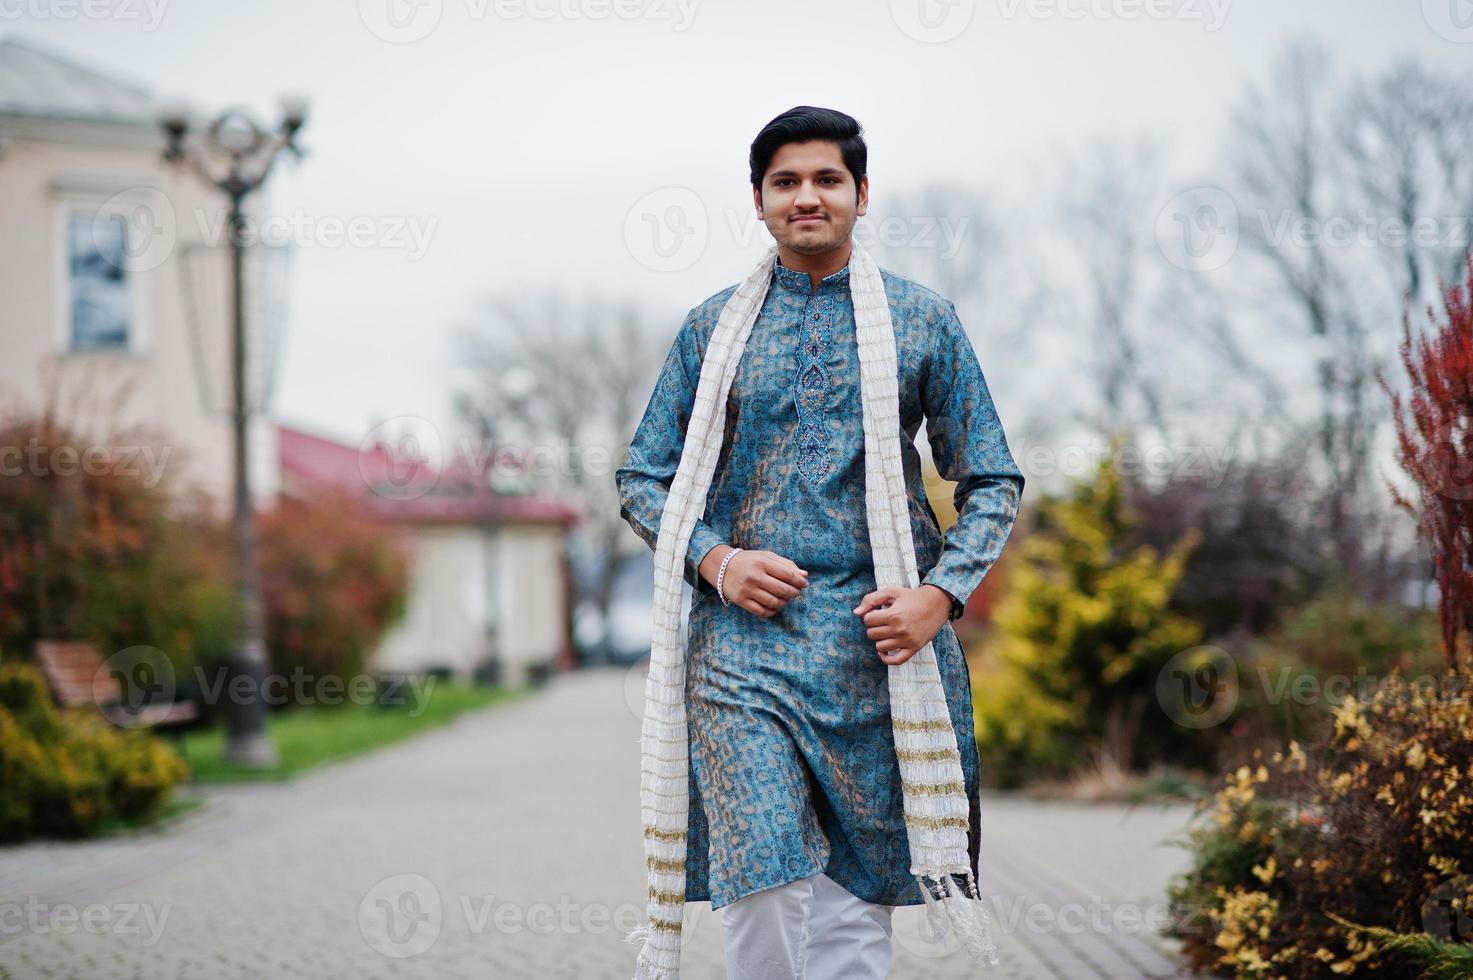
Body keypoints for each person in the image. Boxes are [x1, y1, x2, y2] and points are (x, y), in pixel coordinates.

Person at [615, 105, 1025, 979]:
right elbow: (641, 478)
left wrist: (937, 596)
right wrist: (717, 561)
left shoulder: (921, 321)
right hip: (741, 646)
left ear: (861, 194)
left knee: (853, 898)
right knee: (760, 875)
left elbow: (990, 478)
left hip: (875, 645)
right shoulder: (709, 329)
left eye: (826, 179)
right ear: (758, 202)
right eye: (785, 182)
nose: (807, 197)